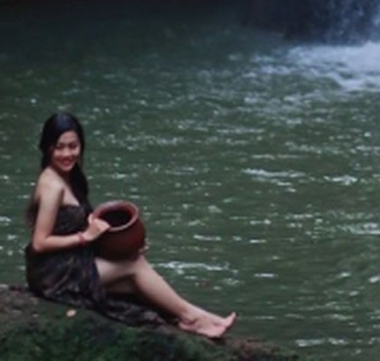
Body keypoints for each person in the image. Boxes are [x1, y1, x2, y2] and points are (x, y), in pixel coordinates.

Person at [25, 110, 237, 339]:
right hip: (53, 273)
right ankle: (193, 318)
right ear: (47, 148)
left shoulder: (69, 176)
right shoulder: (52, 186)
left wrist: (122, 245)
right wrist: (85, 237)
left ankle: (192, 316)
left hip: (70, 261)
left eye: (73, 146)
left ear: (81, 145)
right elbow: (39, 243)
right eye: (59, 147)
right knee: (133, 266)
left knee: (135, 280)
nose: (67, 153)